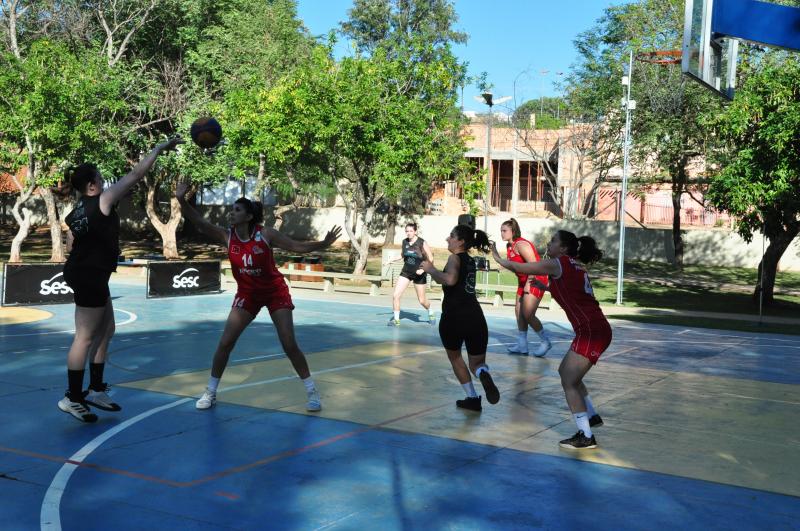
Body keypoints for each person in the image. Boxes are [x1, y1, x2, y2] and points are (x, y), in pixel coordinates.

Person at [175, 182, 341, 412]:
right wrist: (182, 200)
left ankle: (312, 390)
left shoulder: (266, 234)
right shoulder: (227, 237)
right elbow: (200, 223)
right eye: (232, 210)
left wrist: (323, 243)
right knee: (225, 342)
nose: (231, 213)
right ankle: (210, 392)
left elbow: (295, 246)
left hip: (274, 292)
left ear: (249, 216)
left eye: (237, 210)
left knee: (289, 343)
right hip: (247, 294)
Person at [60, 137, 184, 422]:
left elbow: (70, 243)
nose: (105, 183)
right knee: (85, 336)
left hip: (89, 272)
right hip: (89, 275)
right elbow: (136, 174)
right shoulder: (100, 200)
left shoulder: (77, 210)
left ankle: (96, 389)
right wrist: (158, 149)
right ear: (91, 185)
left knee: (107, 330)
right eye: (101, 179)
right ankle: (72, 397)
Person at [492, 230, 611, 449]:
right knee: (567, 373)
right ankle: (591, 416)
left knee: (569, 380)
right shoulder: (573, 265)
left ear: (564, 248)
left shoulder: (557, 263)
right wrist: (546, 287)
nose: (549, 243)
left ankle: (585, 436)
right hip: (594, 328)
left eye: (554, 241)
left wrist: (498, 258)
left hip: (591, 330)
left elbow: (520, 267)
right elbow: (569, 289)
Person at [420, 225, 499, 412]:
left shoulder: (454, 257)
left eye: (452, 236)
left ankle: (472, 397)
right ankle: (483, 374)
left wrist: (431, 270)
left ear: (461, 241)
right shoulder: (471, 261)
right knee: (477, 364)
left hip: (454, 318)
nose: (448, 239)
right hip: (476, 317)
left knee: (455, 358)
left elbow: (450, 279)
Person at [500, 218, 552, 356]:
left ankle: (545, 341)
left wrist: (529, 283)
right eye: (501, 231)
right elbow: (515, 265)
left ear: (513, 231)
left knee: (528, 314)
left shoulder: (521, 244)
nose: (502, 233)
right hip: (522, 280)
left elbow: (534, 264)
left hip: (535, 278)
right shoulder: (509, 246)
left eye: (504, 231)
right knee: (518, 311)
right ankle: (522, 345)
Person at [385, 223, 435, 326]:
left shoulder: (422, 242)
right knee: (396, 296)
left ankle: (430, 311)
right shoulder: (404, 242)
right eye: (407, 231)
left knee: (422, 301)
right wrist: (391, 260)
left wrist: (423, 270)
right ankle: (396, 320)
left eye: (411, 231)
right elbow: (402, 254)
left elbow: (431, 258)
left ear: (415, 231)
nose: (408, 233)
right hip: (406, 272)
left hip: (419, 274)